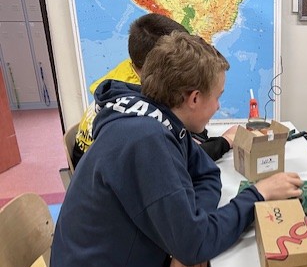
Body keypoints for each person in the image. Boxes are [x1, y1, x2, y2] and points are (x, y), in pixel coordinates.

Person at [45, 32, 304, 267]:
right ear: (193, 98)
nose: (219, 106)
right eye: (217, 96)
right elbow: (195, 240)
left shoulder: (155, 116)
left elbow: (206, 176)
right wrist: (257, 196)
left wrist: (189, 234)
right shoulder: (147, 142)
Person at [71, 12, 236, 167]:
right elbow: (181, 159)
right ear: (160, 59)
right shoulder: (143, 101)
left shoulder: (129, 70)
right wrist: (226, 141)